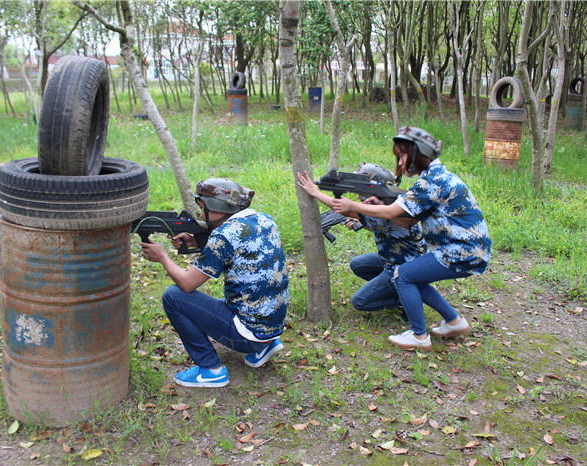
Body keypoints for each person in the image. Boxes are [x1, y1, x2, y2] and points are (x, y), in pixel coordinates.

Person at [332, 127, 491, 352]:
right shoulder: (434, 178)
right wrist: (377, 206)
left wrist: (352, 206)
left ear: (419, 154)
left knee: (403, 275)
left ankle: (419, 336)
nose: (400, 161)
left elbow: (389, 214)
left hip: (459, 251)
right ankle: (455, 322)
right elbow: (406, 221)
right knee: (413, 275)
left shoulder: (432, 182)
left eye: (403, 155)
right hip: (468, 249)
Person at [140, 178, 289, 387]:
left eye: (202, 208)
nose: (201, 214)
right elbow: (240, 247)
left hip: (247, 335)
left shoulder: (223, 237)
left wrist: (163, 256)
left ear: (216, 207)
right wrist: (198, 242)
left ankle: (212, 370)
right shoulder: (265, 220)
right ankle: (265, 346)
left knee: (173, 297)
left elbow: (187, 284)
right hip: (271, 324)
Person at [297, 163, 427, 312]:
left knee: (360, 301)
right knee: (358, 264)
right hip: (396, 260)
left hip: (403, 268)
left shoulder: (386, 213)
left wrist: (315, 192)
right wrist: (362, 221)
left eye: (363, 192)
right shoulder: (395, 205)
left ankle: (409, 298)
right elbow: (381, 224)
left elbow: (344, 209)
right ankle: (400, 289)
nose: (359, 196)